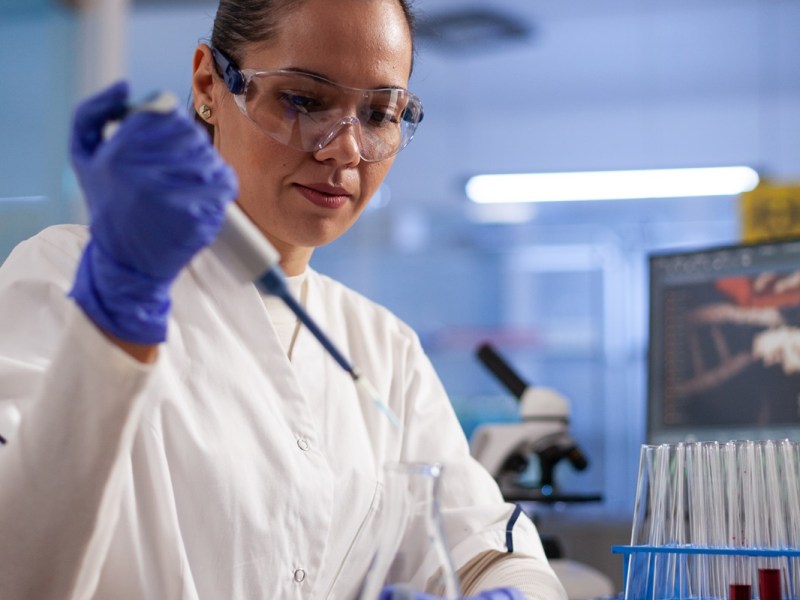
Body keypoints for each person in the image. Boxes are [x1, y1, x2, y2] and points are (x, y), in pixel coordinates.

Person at [0, 0, 568, 598]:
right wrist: (112, 325)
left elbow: (483, 548)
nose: (344, 150)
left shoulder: (383, 348)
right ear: (208, 85)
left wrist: (513, 591)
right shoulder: (70, 276)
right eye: (303, 100)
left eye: (379, 113)